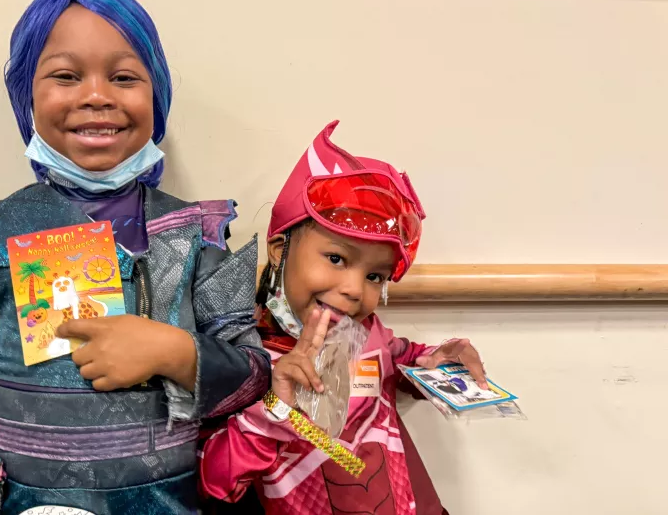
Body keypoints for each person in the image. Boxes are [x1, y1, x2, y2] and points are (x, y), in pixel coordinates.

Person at [0, 0, 270, 515]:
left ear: (157, 97)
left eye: (124, 77)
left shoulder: (195, 234)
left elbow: (254, 378)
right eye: (65, 75)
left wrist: (174, 352)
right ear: (26, 97)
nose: (97, 95)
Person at [198, 121, 487, 515]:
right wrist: (272, 413)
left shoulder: (368, 333)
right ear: (280, 249)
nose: (354, 289)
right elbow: (213, 483)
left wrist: (434, 361)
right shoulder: (241, 358)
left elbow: (401, 356)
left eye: (374, 276)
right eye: (336, 258)